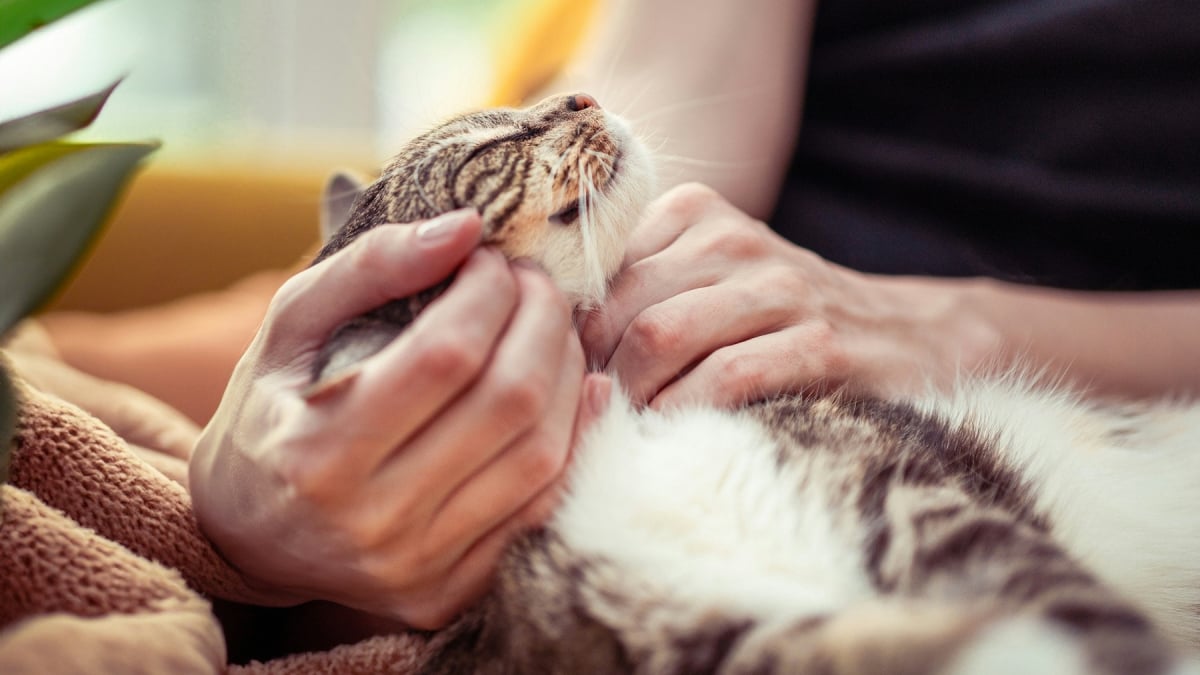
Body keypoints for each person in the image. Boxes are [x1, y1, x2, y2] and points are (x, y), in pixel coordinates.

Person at [37, 0, 1200, 631]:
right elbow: (655, 85)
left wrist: (964, 330)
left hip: (867, 381)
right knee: (47, 393)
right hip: (648, 330)